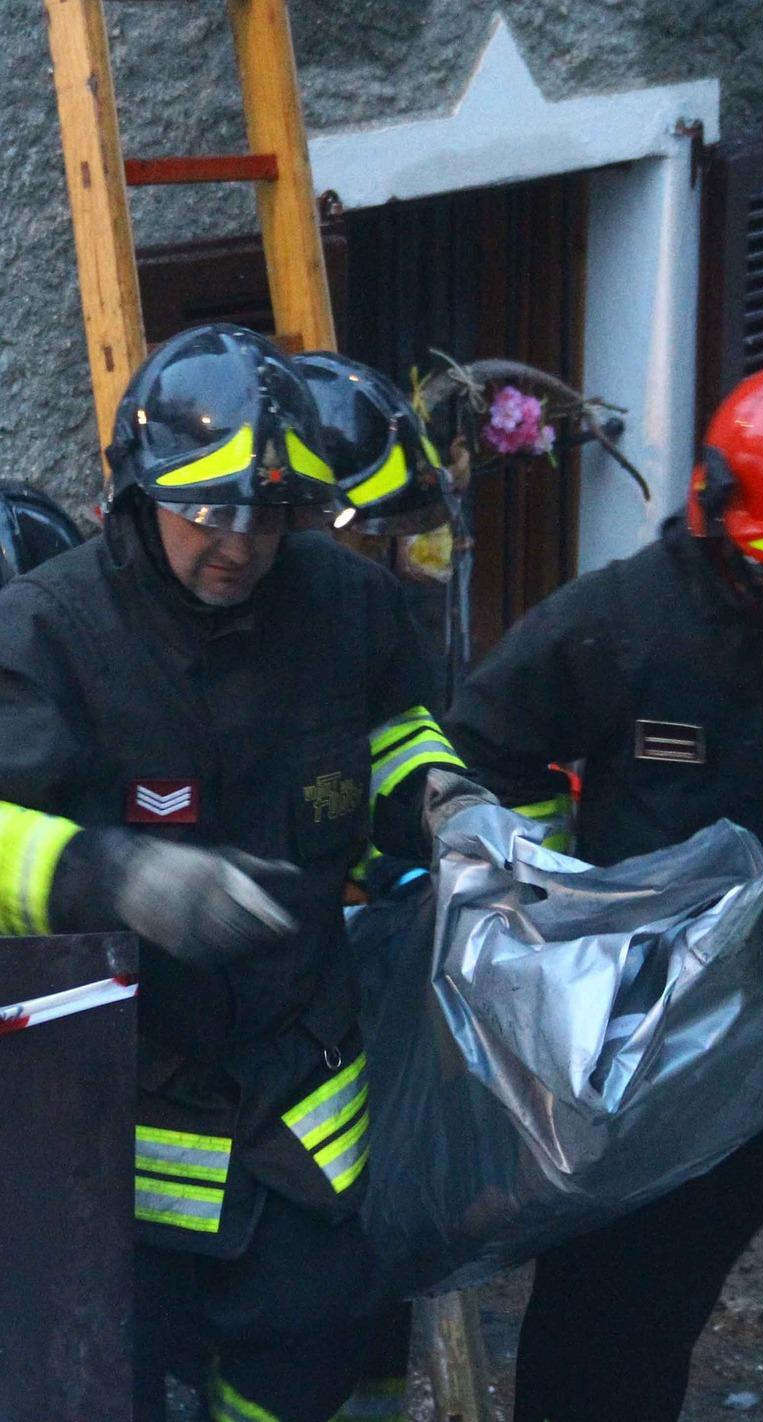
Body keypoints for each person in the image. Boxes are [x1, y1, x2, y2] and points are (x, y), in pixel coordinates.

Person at [0, 324, 465, 1422]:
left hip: (304, 1113)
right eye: (210, 513)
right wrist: (112, 877)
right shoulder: (47, 635)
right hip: (119, 1130)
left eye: (271, 515)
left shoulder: (345, 605)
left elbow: (397, 728)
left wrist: (446, 805)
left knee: (302, 1376)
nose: (241, 546)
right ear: (136, 488)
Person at [441, 360, 763, 1422]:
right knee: (611, 1300)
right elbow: (483, 747)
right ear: (721, 523)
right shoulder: (628, 625)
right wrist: (572, 909)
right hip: (656, 1034)